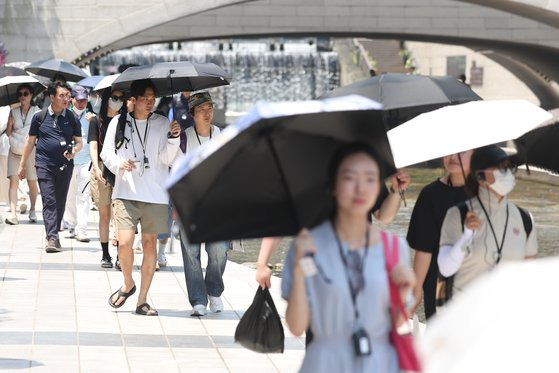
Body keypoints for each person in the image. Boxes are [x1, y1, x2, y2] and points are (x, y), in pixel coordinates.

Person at [282, 143, 415, 372]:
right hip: (324, 362)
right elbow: (296, 327)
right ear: (333, 184)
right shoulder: (308, 247)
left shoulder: (394, 249)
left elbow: (395, 322)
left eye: (370, 179)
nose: (360, 189)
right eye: (350, 178)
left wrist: (404, 291)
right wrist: (298, 272)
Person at [102, 79, 180, 316]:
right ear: (134, 100)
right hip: (126, 191)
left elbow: (167, 159)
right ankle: (128, 283)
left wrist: (174, 138)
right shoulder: (119, 121)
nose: (149, 103)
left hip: (155, 194)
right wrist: (119, 164)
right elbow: (107, 153)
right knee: (124, 243)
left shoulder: (163, 122)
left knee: (149, 245)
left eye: (152, 98)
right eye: (145, 98)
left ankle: (142, 300)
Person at [256, 170, 410, 289]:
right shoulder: (302, 171)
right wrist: (261, 264)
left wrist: (396, 191)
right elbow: (281, 220)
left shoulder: (364, 168)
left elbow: (383, 216)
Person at [437, 145, 538, 297]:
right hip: (465, 315)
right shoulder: (458, 214)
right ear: (480, 177)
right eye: (501, 168)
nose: (508, 173)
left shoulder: (525, 219)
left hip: (506, 315)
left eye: (510, 167)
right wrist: (466, 236)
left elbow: (529, 279)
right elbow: (445, 268)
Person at [178, 91, 228, 317]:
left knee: (218, 250)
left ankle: (214, 290)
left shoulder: (222, 134)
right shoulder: (184, 137)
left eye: (209, 108)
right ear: (192, 114)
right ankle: (198, 299)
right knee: (191, 253)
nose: (207, 113)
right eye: (201, 110)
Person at [18, 82, 82, 252]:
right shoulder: (40, 117)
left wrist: (74, 151)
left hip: (65, 166)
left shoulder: (72, 118)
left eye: (68, 95)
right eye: (62, 95)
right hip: (44, 164)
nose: (66, 99)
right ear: (52, 97)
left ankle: (55, 234)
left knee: (60, 201)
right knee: (49, 200)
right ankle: (51, 237)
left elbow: (79, 142)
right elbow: (30, 141)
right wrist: (22, 165)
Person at [407, 150, 472, 319]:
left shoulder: (487, 194)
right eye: (449, 151)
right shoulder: (430, 195)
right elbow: (424, 250)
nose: (453, 156)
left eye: (462, 151)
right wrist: (415, 291)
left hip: (476, 282)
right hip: (438, 284)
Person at [88, 87, 125, 268]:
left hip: (121, 170)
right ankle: (105, 254)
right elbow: (93, 146)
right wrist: (96, 168)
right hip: (102, 169)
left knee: (120, 215)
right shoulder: (96, 121)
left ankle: (120, 256)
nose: (117, 101)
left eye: (120, 98)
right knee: (104, 214)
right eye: (114, 97)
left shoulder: (125, 122)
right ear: (107, 99)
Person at [5, 84, 41, 225]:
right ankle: (13, 214)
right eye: (20, 94)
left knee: (32, 182)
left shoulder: (37, 112)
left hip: (30, 151)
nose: (22, 97)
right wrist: (10, 124)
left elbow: (39, 133)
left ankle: (32, 209)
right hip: (14, 150)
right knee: (13, 181)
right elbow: (8, 134)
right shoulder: (13, 112)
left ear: (31, 95)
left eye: (25, 94)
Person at [63, 85, 94, 241]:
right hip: (69, 161)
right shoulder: (65, 115)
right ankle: (71, 225)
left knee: (84, 196)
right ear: (72, 99)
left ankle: (82, 230)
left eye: (84, 100)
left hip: (86, 162)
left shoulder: (91, 117)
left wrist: (96, 122)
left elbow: (96, 140)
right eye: (79, 100)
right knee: (69, 195)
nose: (82, 103)